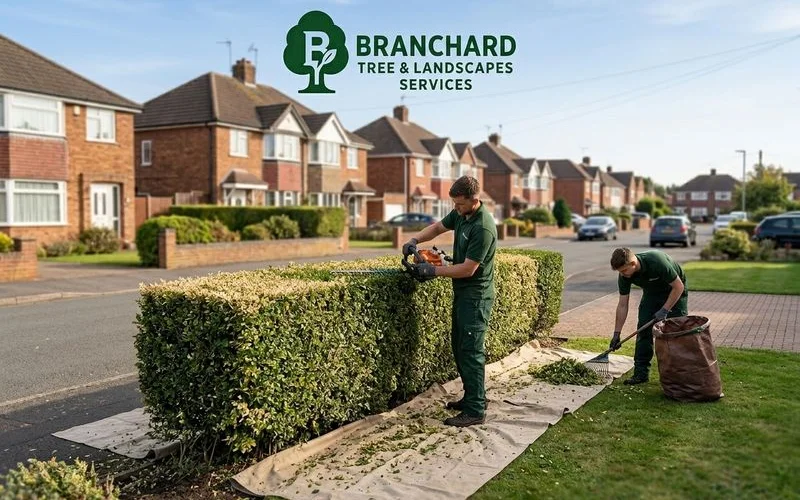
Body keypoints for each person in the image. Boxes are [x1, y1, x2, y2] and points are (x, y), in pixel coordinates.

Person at [403, 176, 497, 427]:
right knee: (459, 346)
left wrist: (432, 270)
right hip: (463, 294)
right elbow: (437, 228)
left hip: (476, 298)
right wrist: (414, 240)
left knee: (471, 351)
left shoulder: (483, 227)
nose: (456, 208)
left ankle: (475, 410)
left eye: (459, 204)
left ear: (474, 200)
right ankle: (473, 397)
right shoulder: (462, 214)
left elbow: (468, 269)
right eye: (454, 204)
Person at [610, 247, 688, 385]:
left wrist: (664, 310)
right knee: (643, 331)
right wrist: (617, 333)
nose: (622, 274)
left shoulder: (656, 261)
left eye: (624, 270)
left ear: (633, 264)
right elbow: (622, 305)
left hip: (674, 291)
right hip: (651, 294)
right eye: (620, 272)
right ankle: (641, 374)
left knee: (676, 331)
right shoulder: (624, 276)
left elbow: (679, 287)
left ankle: (679, 375)